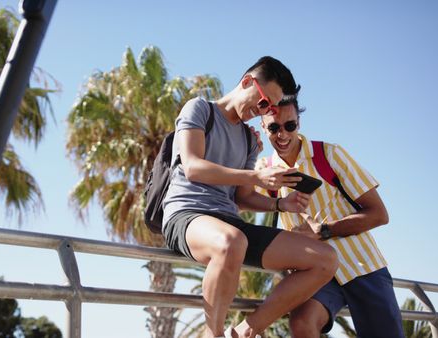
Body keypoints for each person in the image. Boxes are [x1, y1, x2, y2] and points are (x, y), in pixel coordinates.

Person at [161, 56, 338, 338]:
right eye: (264, 101)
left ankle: (245, 331)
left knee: (325, 259)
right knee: (232, 242)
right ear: (247, 82)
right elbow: (193, 167)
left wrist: (280, 204)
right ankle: (213, 334)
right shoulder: (199, 109)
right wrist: (255, 177)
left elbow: (242, 197)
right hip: (187, 214)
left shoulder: (247, 138)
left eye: (269, 107)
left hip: (231, 225)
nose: (263, 110)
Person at [256, 99, 404, 338]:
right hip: (314, 272)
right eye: (274, 128)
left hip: (360, 265)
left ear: (299, 123)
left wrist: (324, 231)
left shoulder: (329, 154)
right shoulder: (263, 169)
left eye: (290, 125)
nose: (282, 134)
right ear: (263, 127)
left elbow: (379, 214)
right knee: (302, 324)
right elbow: (239, 203)